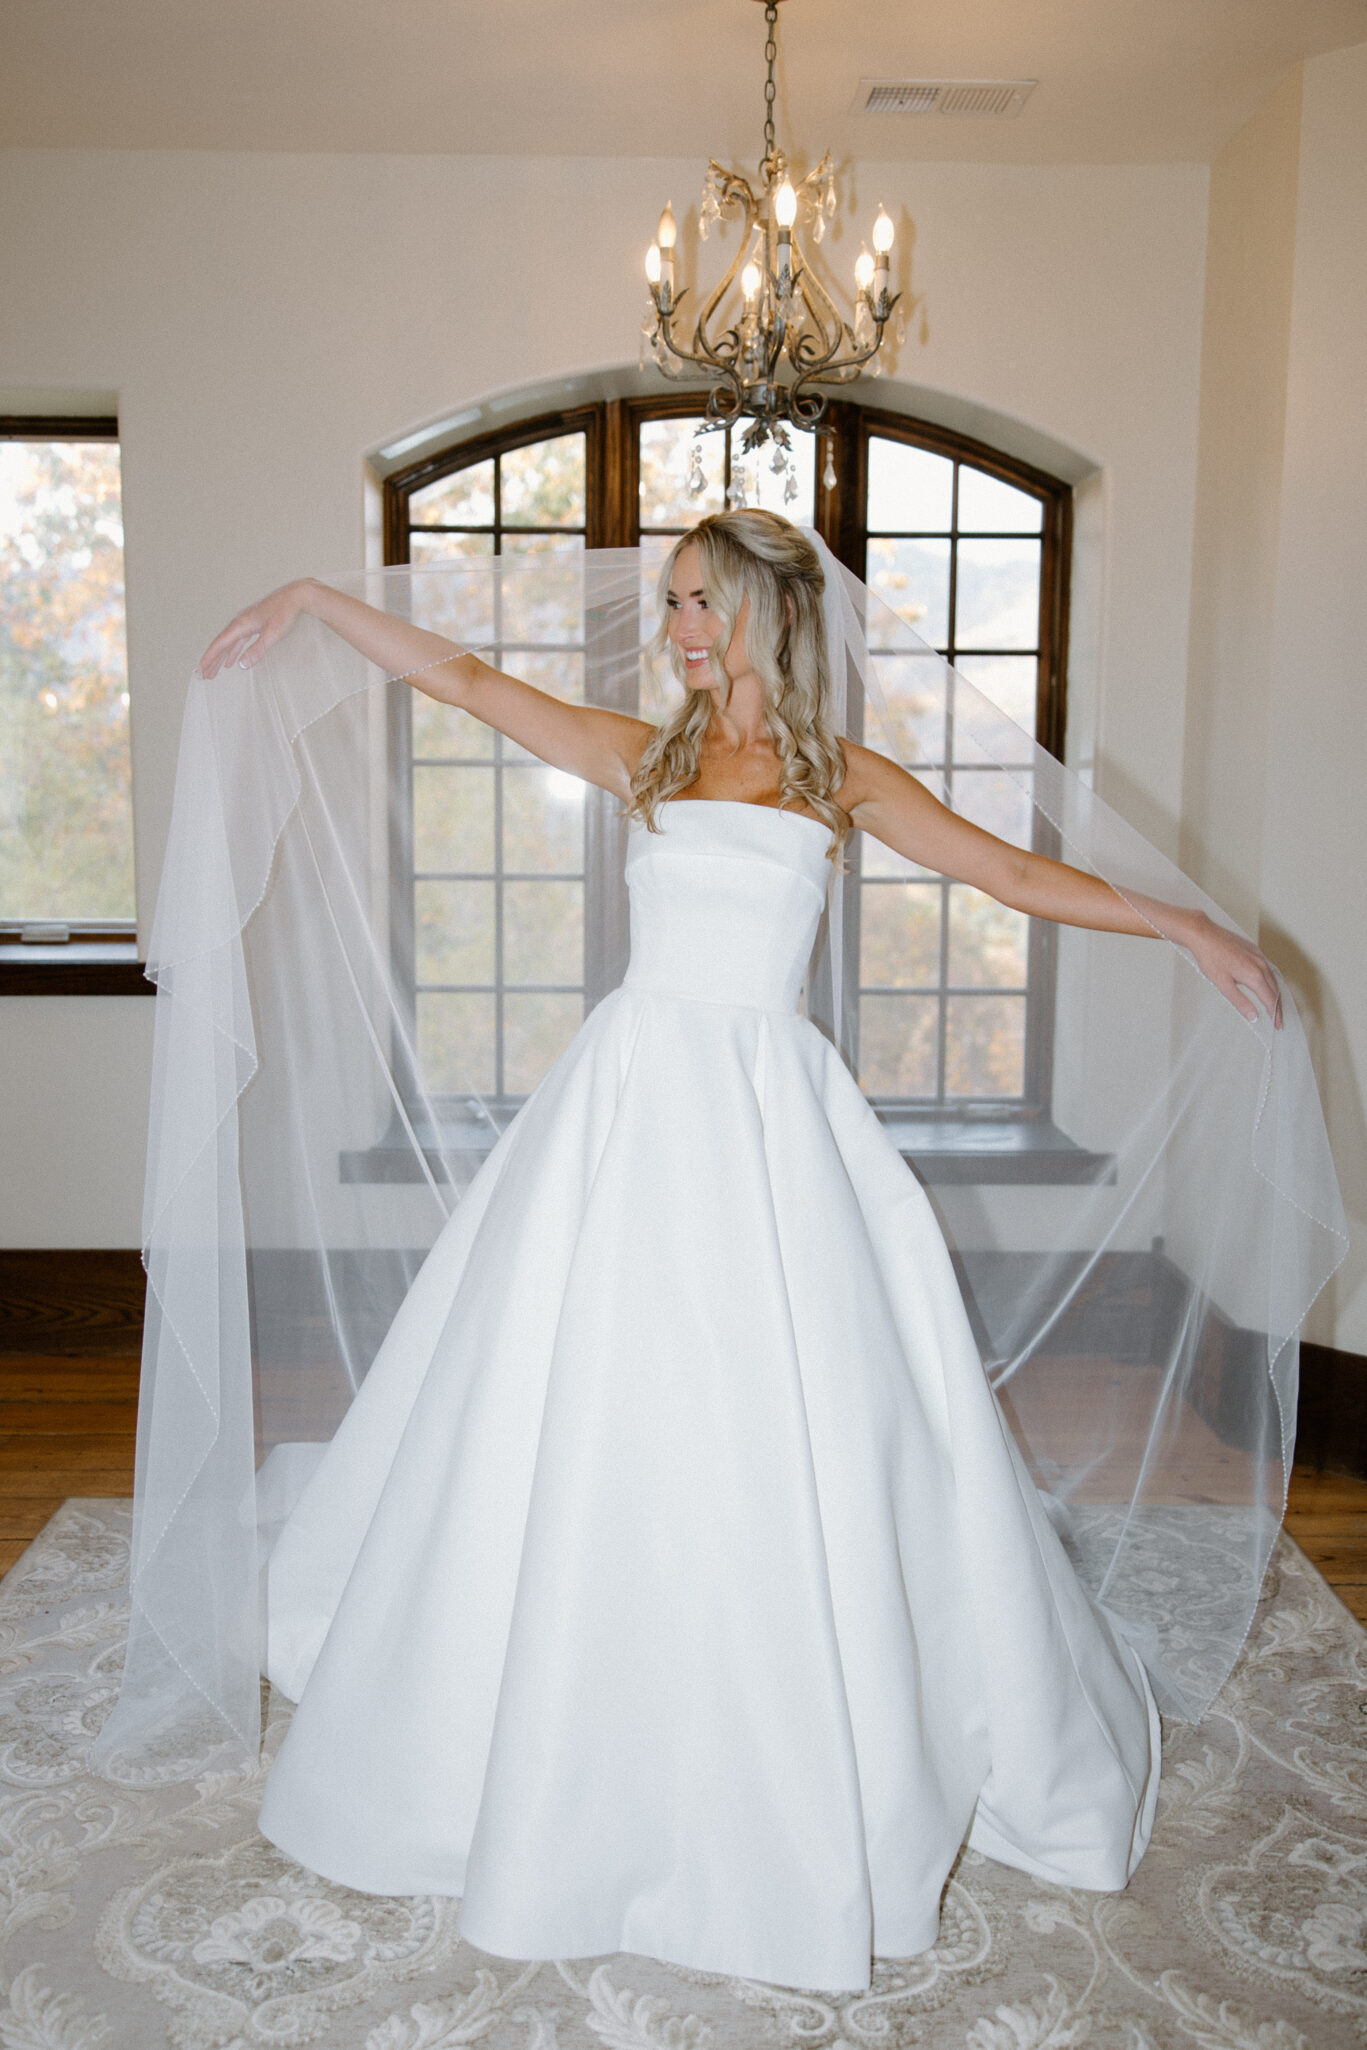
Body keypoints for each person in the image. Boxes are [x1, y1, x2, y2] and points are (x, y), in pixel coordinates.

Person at [190, 511, 1284, 1992]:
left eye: (703, 601)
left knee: (795, 1430)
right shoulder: (648, 755)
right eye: (671, 603)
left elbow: (1015, 877)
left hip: (769, 1125)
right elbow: (466, 682)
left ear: (772, 610)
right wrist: (320, 596)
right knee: (575, 1411)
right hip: (622, 1111)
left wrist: (1187, 927)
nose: (679, 626)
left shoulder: (840, 783)